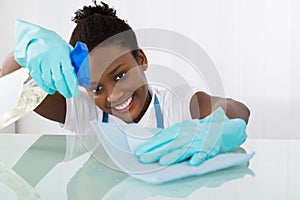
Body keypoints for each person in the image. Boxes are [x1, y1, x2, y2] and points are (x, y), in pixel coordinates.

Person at [0, 1, 250, 166]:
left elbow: (238, 111)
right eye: (97, 88)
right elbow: (11, 91)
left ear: (140, 59)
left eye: (120, 75)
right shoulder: (85, 110)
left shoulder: (176, 103)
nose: (113, 95)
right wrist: (23, 52)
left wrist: (208, 133)